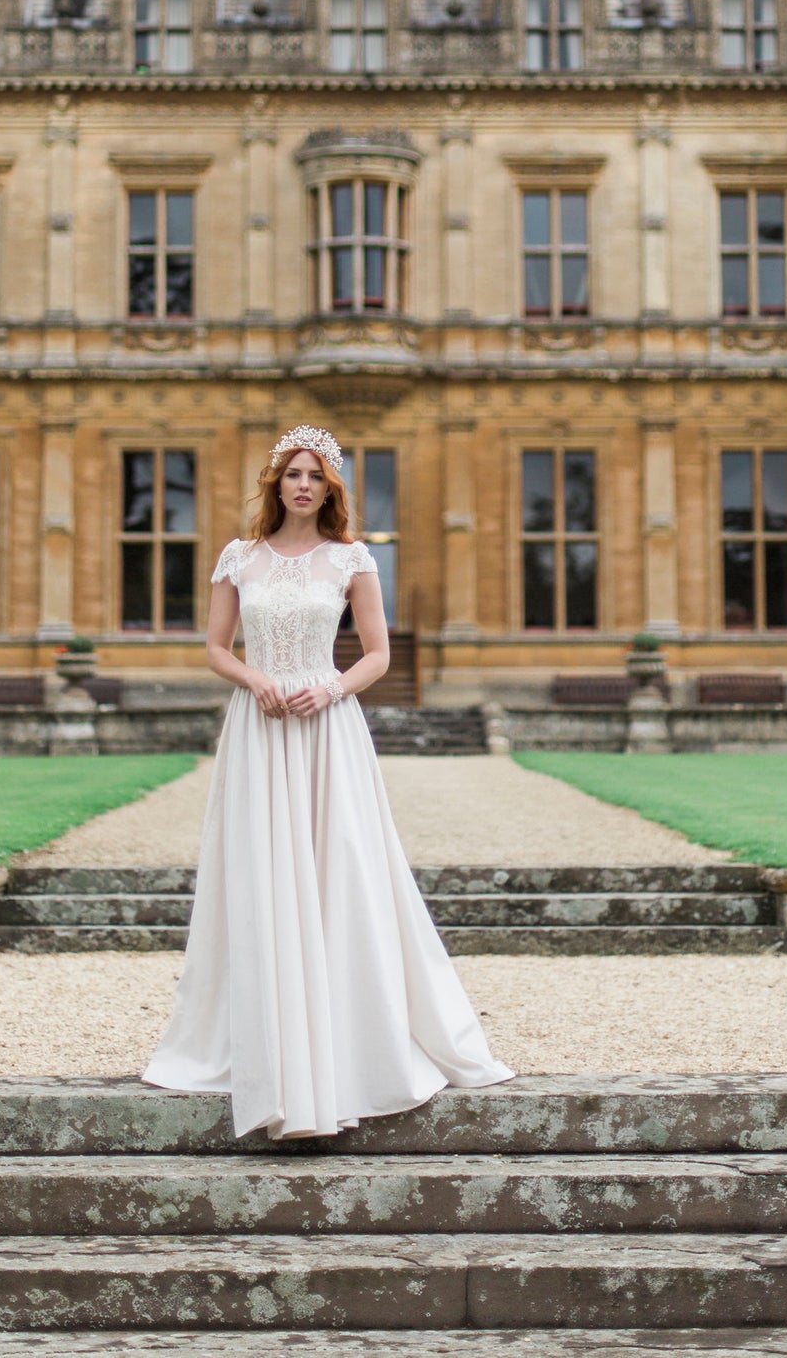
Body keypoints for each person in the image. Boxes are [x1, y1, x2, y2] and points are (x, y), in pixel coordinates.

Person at [143, 423, 512, 1140]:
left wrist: (332, 688)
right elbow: (216, 647)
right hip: (259, 726)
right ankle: (259, 1037)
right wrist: (254, 679)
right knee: (259, 872)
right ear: (275, 483)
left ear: (330, 488)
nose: (302, 485)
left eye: (314, 475)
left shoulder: (351, 557)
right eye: (292, 474)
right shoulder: (239, 556)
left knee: (338, 868)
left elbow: (375, 653)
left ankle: (347, 1038)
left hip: (324, 726)